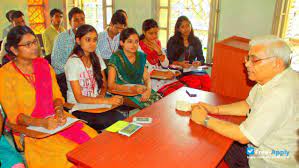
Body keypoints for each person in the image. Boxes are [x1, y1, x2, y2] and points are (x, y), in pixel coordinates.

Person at [190, 35, 299, 168]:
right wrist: (215, 109)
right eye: (248, 58)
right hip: (261, 148)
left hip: (270, 161)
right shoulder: (273, 78)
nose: (247, 64)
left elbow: (243, 136)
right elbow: (248, 105)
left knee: (211, 145)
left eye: (254, 60)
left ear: (276, 63)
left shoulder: (279, 94)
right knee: (217, 141)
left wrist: (204, 119)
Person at [0, 26, 97, 167]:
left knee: (93, 139)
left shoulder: (44, 65)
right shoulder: (5, 75)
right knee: (68, 155)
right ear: (14, 50)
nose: (34, 47)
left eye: (35, 42)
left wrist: (58, 111)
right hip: (32, 130)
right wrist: (43, 123)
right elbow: (16, 117)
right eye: (28, 44)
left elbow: (57, 97)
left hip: (57, 120)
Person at [65, 24, 125, 131]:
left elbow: (104, 84)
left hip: (96, 104)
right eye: (88, 40)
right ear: (78, 41)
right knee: (111, 122)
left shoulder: (96, 58)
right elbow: (79, 98)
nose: (92, 43)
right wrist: (106, 101)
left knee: (122, 120)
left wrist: (101, 96)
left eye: (95, 40)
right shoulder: (73, 62)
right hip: (79, 107)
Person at [108, 28, 161, 109]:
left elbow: (147, 78)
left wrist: (148, 90)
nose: (134, 45)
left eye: (136, 42)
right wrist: (132, 88)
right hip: (122, 92)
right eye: (129, 41)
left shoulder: (141, 56)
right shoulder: (116, 57)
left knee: (159, 101)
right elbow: (111, 85)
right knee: (150, 107)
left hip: (140, 89)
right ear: (122, 43)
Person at [139, 19, 178, 92]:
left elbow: (166, 64)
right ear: (144, 32)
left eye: (156, 33)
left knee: (180, 88)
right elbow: (146, 70)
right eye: (151, 33)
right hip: (148, 80)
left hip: (161, 76)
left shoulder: (157, 43)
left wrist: (159, 51)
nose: (154, 36)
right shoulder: (139, 47)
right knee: (171, 92)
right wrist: (164, 73)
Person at [51, 7, 85, 75]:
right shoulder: (61, 38)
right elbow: (55, 62)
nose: (80, 22)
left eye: (82, 19)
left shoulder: (88, 37)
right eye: (76, 20)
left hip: (84, 73)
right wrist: (72, 70)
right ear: (70, 22)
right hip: (65, 74)